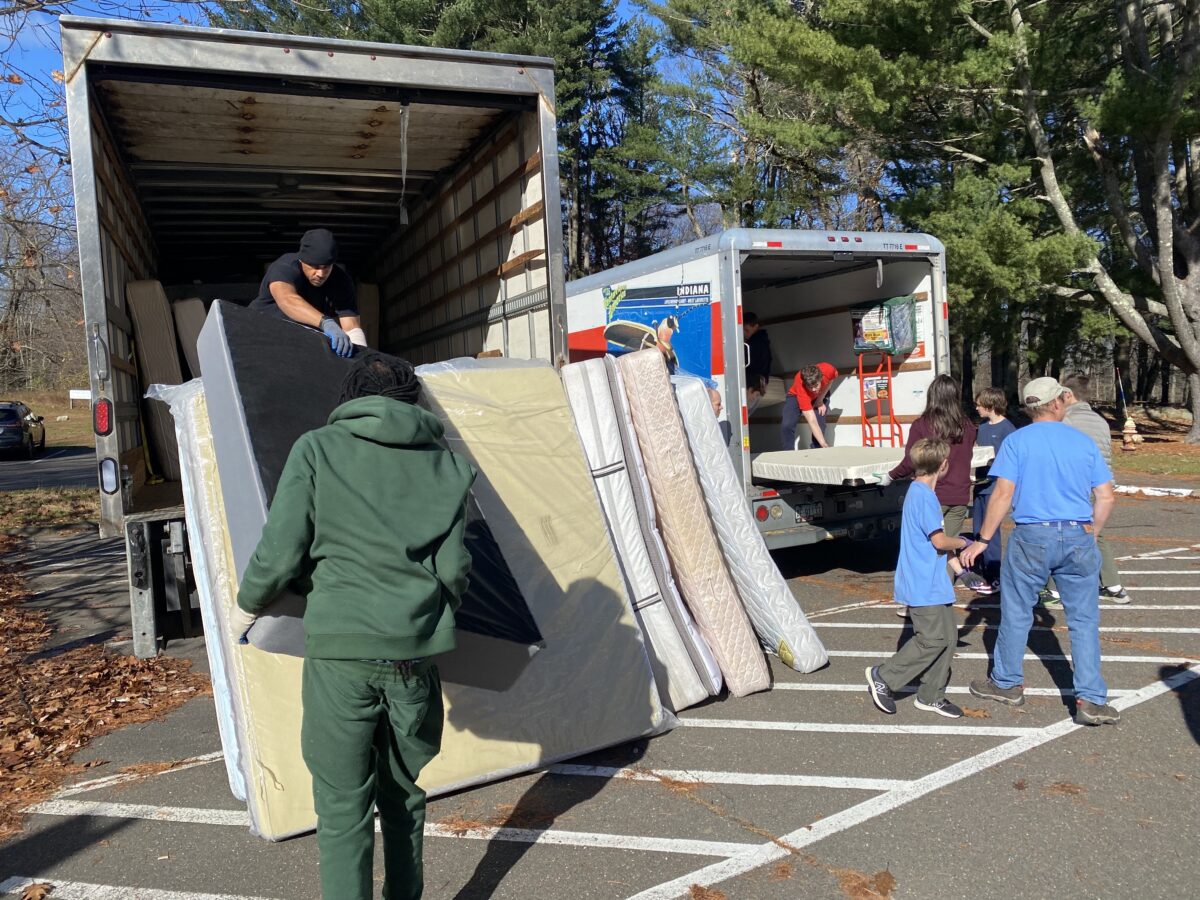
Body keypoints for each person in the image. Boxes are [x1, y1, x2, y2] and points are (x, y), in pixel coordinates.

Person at [230, 351, 477, 899]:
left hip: (341, 652)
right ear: (413, 403)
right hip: (413, 655)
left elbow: (281, 550)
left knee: (344, 806)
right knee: (404, 796)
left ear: (350, 399)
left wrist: (246, 606)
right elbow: (455, 569)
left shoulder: (317, 449)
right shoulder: (447, 465)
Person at [962, 376, 1120, 726]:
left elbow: (1002, 494)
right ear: (1059, 402)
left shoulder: (1018, 441)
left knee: (1017, 611)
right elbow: (1106, 496)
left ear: (1029, 406)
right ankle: (1091, 699)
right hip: (1077, 532)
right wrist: (1091, 533)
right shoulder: (1082, 442)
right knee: (1083, 620)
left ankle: (1007, 683)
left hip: (1032, 534)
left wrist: (983, 539)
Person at [866, 438, 971, 719]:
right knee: (932, 639)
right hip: (923, 582)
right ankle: (884, 677)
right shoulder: (924, 497)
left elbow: (934, 544)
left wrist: (962, 572)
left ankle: (931, 696)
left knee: (948, 638)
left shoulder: (921, 492)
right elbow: (940, 542)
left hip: (934, 582)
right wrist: (963, 542)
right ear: (943, 466)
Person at [883, 375, 992, 606]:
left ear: (932, 396)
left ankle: (922, 601)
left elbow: (910, 461)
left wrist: (890, 476)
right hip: (960, 495)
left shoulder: (922, 425)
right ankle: (943, 600)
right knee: (945, 550)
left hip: (932, 495)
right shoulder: (968, 427)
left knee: (925, 548)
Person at [1040, 374, 1128, 604]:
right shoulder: (1100, 421)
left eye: (1058, 394)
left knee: (1059, 532)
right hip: (1101, 485)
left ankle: (1054, 589)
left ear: (1068, 395)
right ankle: (1113, 585)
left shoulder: (1066, 419)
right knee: (1095, 533)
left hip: (1074, 485)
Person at [250, 228, 366, 357]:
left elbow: (351, 328)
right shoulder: (284, 267)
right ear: (302, 261)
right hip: (258, 334)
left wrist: (362, 358)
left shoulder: (341, 281)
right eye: (315, 267)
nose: (320, 274)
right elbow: (287, 299)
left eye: (326, 267)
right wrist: (326, 323)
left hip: (298, 345)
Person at [971, 386, 1016, 588]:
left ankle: (994, 575)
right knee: (977, 530)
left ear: (990, 404)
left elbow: (1010, 461)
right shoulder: (982, 426)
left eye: (980, 404)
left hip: (995, 488)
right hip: (979, 485)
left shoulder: (1008, 430)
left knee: (991, 531)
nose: (977, 408)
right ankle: (978, 569)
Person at [781, 362, 838, 450]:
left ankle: (816, 451)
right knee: (787, 425)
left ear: (821, 378)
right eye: (810, 387)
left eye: (816, 385)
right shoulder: (801, 384)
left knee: (820, 423)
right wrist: (824, 444)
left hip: (821, 394)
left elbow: (830, 381)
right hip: (796, 395)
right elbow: (811, 420)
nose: (813, 389)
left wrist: (820, 399)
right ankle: (788, 454)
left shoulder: (828, 369)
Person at [744, 312, 772, 411]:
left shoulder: (756, 344)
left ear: (755, 326)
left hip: (754, 385)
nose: (744, 333)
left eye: (747, 330)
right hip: (758, 385)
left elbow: (757, 366)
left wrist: (752, 387)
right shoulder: (761, 341)